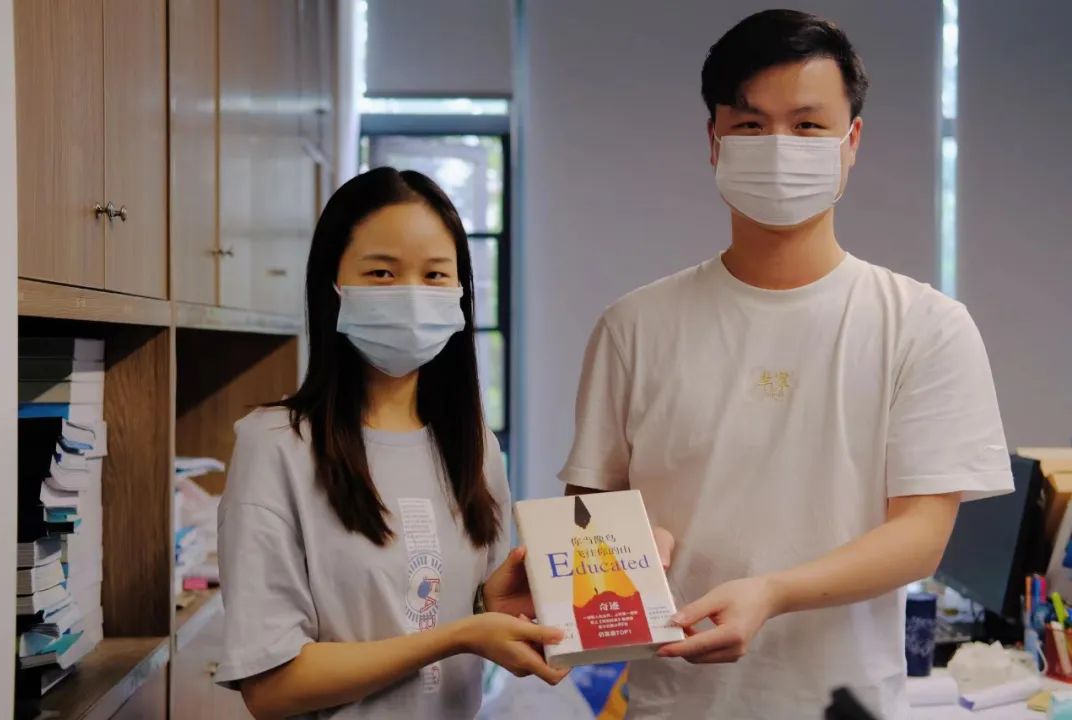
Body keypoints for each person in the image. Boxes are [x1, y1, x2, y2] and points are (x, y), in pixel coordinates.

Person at [560, 10, 1013, 720]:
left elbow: (921, 537)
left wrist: (772, 592)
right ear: (713, 141)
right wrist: (626, 554)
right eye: (750, 125)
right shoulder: (634, 327)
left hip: (847, 704)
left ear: (851, 142)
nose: (778, 147)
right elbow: (586, 523)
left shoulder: (924, 325)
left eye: (807, 125)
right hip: (673, 704)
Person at [216, 167, 566, 719]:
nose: (411, 295)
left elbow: (462, 614)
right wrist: (456, 636)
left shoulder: (474, 445)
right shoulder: (278, 445)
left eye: (435, 275)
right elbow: (271, 687)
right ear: (333, 285)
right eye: (382, 272)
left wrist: (490, 606)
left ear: (460, 291)